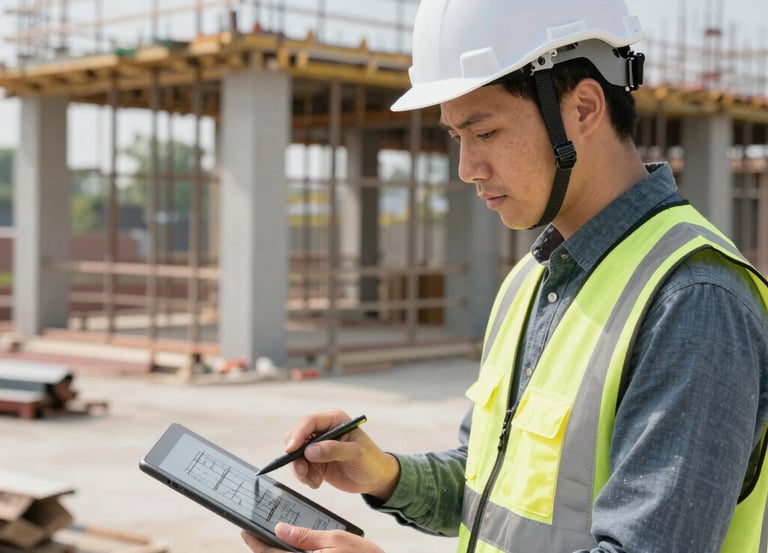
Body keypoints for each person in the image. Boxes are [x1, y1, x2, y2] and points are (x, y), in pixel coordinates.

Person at [242, 0, 768, 551]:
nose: (467, 168)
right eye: (457, 138)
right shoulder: (532, 281)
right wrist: (385, 474)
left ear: (584, 109)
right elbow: (491, 487)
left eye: (485, 132)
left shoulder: (692, 299)